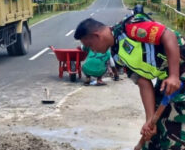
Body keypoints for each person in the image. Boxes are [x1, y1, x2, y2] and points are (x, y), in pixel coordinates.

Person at [73, 12, 185, 150]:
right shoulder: (116, 54)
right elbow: (143, 82)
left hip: (179, 73)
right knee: (152, 133)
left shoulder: (130, 27)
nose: (92, 50)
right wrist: (149, 120)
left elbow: (168, 35)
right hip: (167, 80)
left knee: (174, 135)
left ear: (97, 36)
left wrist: (174, 75)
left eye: (90, 45)